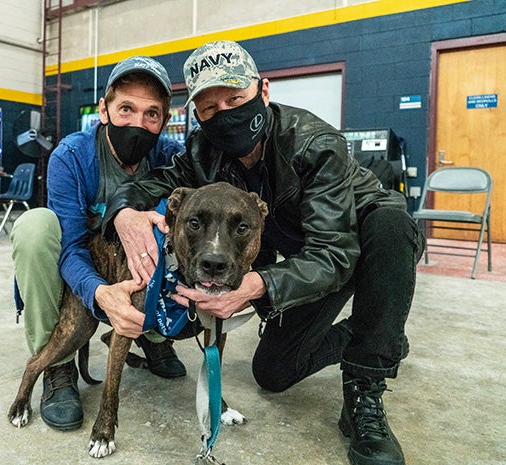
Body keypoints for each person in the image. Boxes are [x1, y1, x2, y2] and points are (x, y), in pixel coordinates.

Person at [103, 41, 424, 465]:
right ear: (197, 115)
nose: (225, 114)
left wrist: (257, 284)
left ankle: (367, 386)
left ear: (264, 91)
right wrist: (124, 212)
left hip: (352, 248)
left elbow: (334, 252)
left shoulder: (316, 145)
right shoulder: (203, 152)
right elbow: (152, 184)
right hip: (300, 261)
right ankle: (370, 335)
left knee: (390, 225)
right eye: (209, 107)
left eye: (235, 99)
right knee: (273, 373)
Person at [10, 56, 187, 432]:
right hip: (82, 265)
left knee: (171, 226)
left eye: (151, 114)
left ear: (164, 122)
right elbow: (71, 248)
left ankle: (151, 334)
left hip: (135, 272)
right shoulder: (72, 156)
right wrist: (100, 294)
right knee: (35, 227)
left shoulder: (170, 159)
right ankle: (56, 366)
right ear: (104, 110)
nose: (138, 123)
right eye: (126, 108)